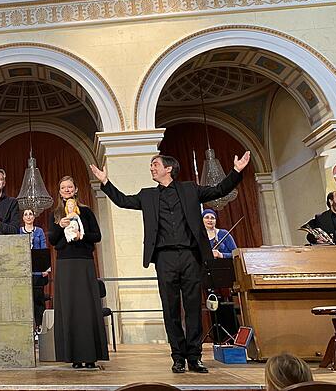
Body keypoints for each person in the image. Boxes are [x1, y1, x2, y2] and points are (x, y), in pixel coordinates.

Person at [90, 151, 250, 374]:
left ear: (168, 169)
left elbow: (219, 190)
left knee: (193, 306)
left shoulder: (190, 189)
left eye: (155, 164)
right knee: (170, 308)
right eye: (151, 165)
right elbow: (123, 201)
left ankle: (194, 357)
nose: (152, 168)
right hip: (164, 257)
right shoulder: (147, 196)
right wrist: (105, 182)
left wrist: (237, 171)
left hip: (190, 255)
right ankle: (178, 357)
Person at [47, 176, 108, 369]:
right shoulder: (56, 214)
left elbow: (97, 236)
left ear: (75, 190)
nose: (66, 190)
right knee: (70, 309)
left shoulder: (87, 212)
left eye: (69, 187)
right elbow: (53, 241)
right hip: (65, 263)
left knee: (87, 308)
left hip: (84, 262)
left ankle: (91, 356)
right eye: (63, 187)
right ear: (59, 192)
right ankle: (74, 356)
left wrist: (83, 235)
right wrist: (60, 226)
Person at [20, 208, 49, 328]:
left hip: (37, 270)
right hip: (24, 269)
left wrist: (46, 268)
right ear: (23, 218)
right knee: (25, 301)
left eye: (30, 214)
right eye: (26, 214)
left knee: (38, 300)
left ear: (34, 217)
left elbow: (43, 247)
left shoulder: (39, 231)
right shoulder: (19, 231)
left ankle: (39, 326)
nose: (28, 216)